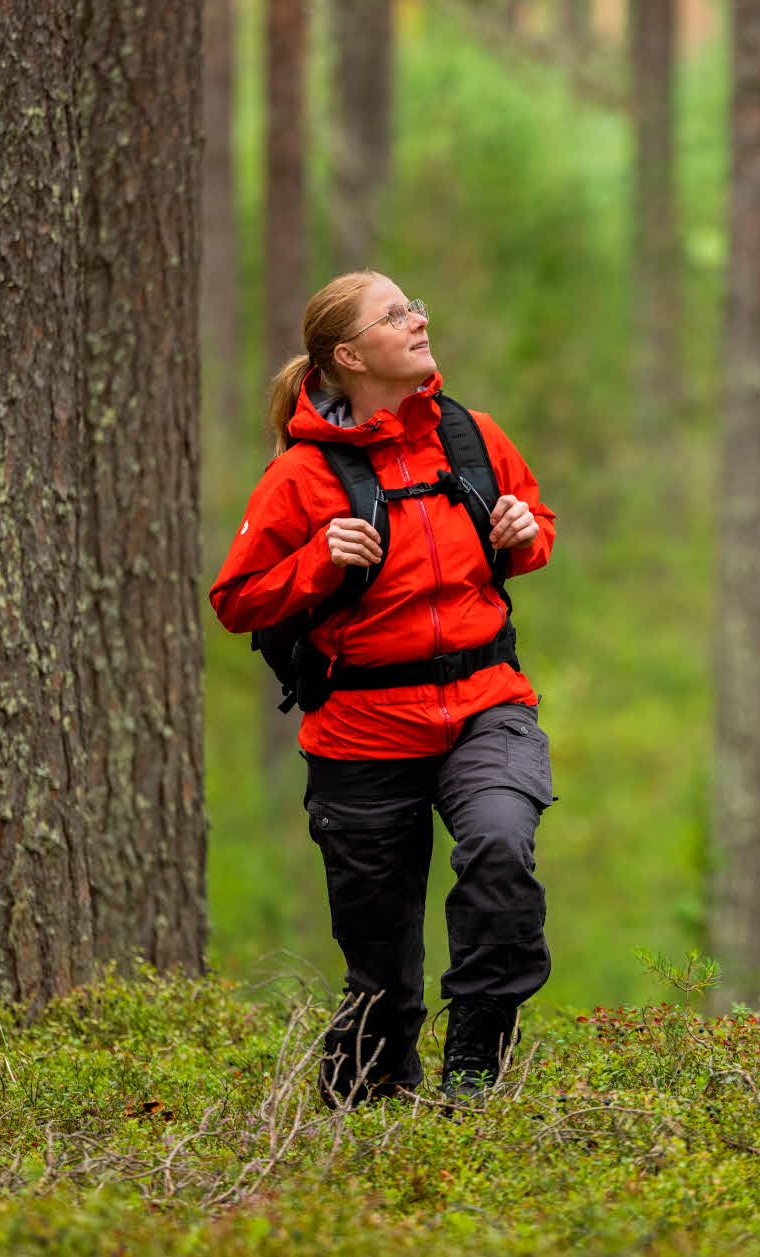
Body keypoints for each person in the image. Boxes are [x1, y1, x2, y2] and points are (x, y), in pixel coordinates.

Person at [209, 271, 557, 1108]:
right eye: (395, 314)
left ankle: (476, 1063)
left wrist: (521, 532)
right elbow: (236, 599)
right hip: (363, 728)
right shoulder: (300, 476)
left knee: (502, 849)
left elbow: (534, 525)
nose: (418, 318)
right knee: (381, 967)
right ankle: (366, 1127)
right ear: (349, 354)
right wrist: (319, 560)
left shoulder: (471, 436)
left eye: (417, 305)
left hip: (485, 704)